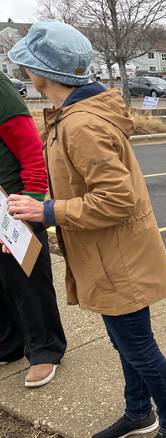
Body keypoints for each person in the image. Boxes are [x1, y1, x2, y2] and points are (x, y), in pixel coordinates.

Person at [7, 20, 166, 438]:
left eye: (28, 64)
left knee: (138, 347)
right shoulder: (70, 116)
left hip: (118, 260)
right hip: (107, 256)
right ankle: (139, 413)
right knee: (124, 343)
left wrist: (47, 211)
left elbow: (116, 199)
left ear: (42, 72)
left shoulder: (81, 125)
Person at [0, 71, 66, 386]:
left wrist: (30, 208)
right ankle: (9, 344)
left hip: (13, 208)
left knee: (28, 284)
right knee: (3, 284)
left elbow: (31, 154)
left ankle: (46, 350)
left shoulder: (3, 94)